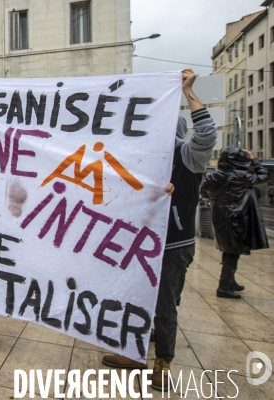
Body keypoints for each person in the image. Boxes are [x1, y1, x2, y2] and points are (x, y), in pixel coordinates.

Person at [102, 69, 217, 392]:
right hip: (138, 244)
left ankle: (162, 362)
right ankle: (133, 353)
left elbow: (207, 134)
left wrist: (188, 92)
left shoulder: (188, 158)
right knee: (131, 300)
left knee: (165, 307)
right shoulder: (143, 159)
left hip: (172, 247)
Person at [200, 147, 270, 299]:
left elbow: (204, 192)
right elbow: (264, 176)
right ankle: (224, 287)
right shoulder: (240, 175)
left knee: (229, 248)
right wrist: (253, 160)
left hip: (219, 216)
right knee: (233, 251)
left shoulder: (213, 175)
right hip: (237, 217)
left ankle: (230, 281)